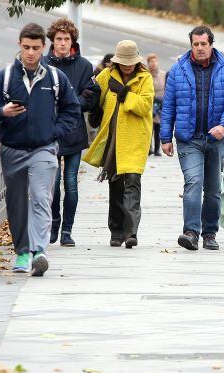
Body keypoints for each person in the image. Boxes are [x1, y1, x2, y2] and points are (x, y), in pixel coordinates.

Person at [0, 23, 80, 276]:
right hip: (12, 149)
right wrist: (3, 111)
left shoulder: (55, 78)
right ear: (19, 46)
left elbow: (72, 110)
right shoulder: (5, 77)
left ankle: (39, 251)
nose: (31, 53)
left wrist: (54, 132)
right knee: (17, 203)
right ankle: (22, 252)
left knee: (41, 197)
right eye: (26, 47)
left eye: (35, 47)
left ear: (44, 47)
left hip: (44, 149)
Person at [160, 25, 224, 251]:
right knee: (193, 182)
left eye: (203, 44)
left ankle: (210, 233)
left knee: (213, 190)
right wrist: (165, 137)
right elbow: (169, 106)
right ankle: (191, 232)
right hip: (189, 138)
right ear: (191, 45)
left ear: (211, 44)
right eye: (196, 44)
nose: (200, 48)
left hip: (216, 139)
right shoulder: (178, 70)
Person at [83, 40, 154, 249]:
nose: (127, 66)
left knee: (132, 183)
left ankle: (131, 233)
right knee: (115, 186)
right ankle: (116, 232)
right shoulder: (106, 76)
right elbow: (94, 96)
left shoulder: (145, 78)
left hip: (135, 138)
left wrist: (124, 94)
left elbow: (145, 106)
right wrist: (92, 107)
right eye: (124, 62)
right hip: (112, 139)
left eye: (131, 62)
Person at [44, 19, 100, 247]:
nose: (62, 43)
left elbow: (92, 93)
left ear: (72, 41)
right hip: (49, 132)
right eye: (59, 39)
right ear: (52, 41)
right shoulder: (43, 64)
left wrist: (72, 103)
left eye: (66, 39)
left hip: (74, 131)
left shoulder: (84, 66)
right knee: (53, 183)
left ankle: (67, 230)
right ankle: (54, 224)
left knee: (71, 182)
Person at [146, 53, 165, 157]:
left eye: (155, 61)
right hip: (150, 103)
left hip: (160, 103)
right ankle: (148, 148)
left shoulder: (162, 74)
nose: (153, 64)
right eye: (151, 62)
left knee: (158, 127)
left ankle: (157, 149)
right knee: (149, 127)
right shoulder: (146, 75)